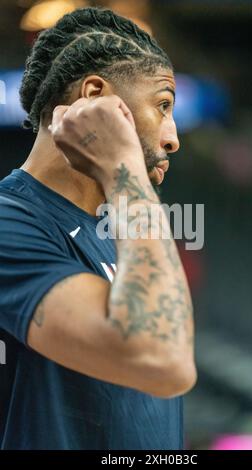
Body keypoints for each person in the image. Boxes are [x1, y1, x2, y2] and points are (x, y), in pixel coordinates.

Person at [0, 6, 197, 450]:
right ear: (94, 95)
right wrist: (123, 164)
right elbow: (164, 361)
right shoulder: (9, 221)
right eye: (162, 105)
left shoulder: (117, 230)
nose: (173, 137)